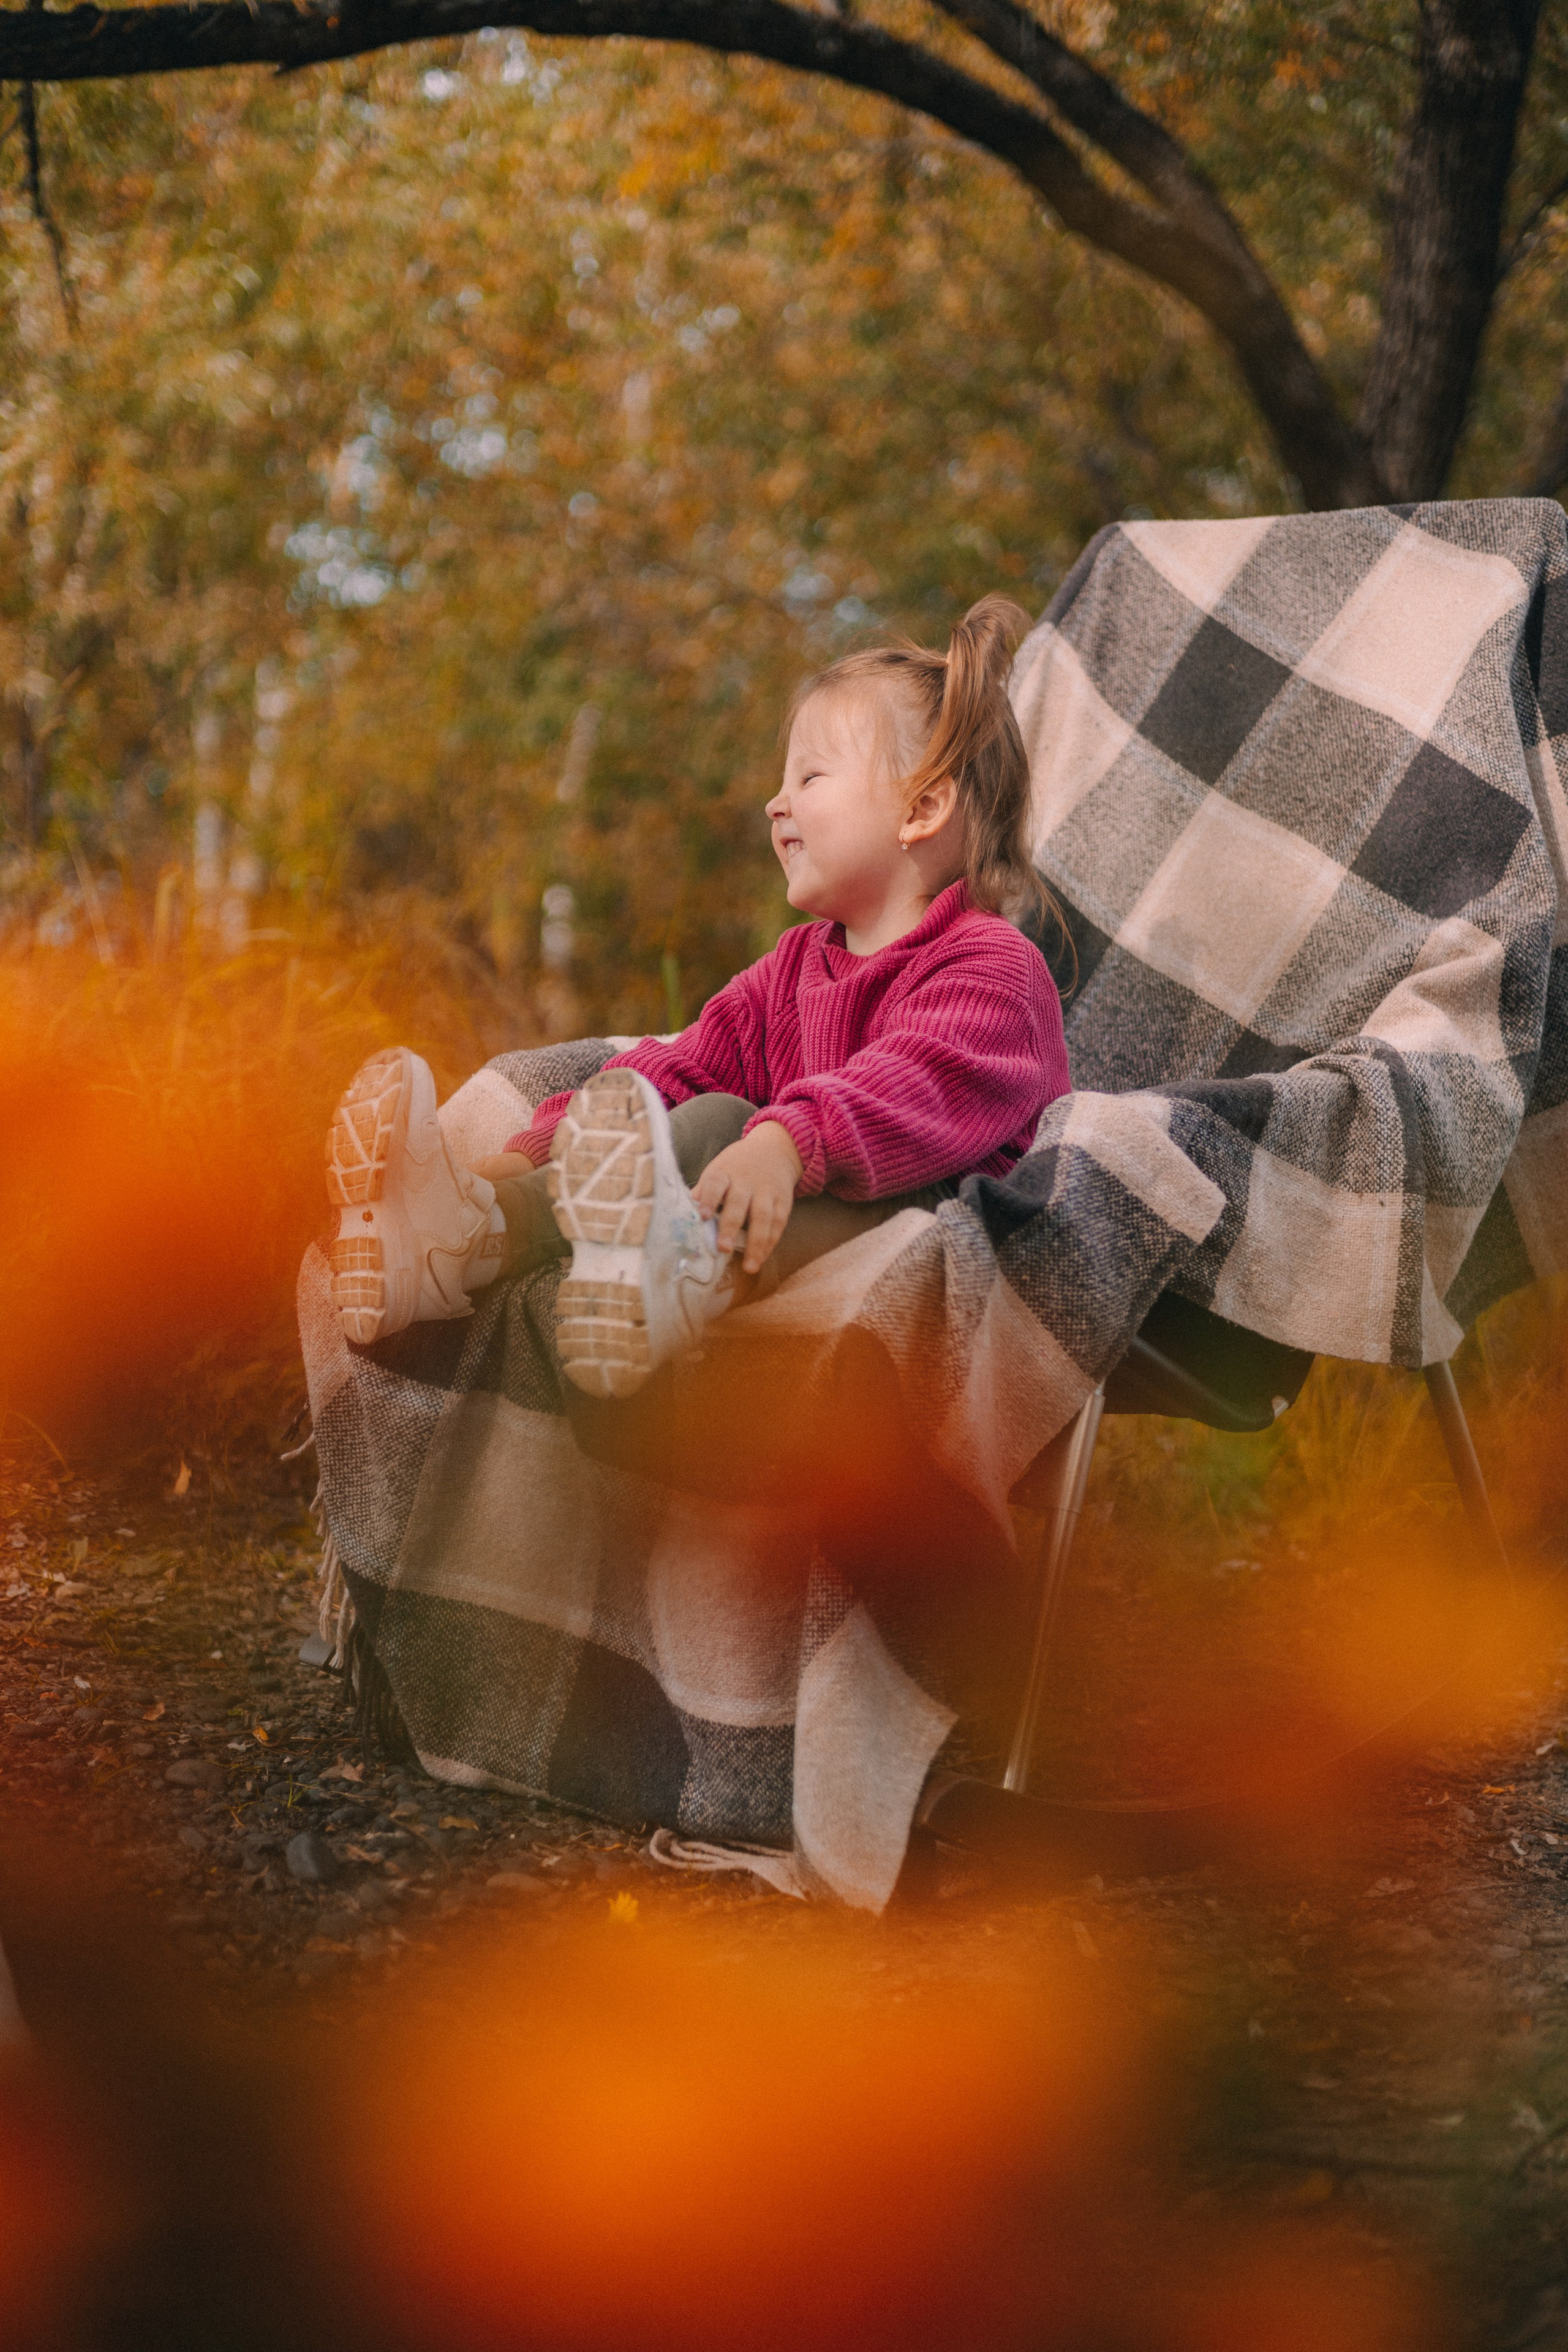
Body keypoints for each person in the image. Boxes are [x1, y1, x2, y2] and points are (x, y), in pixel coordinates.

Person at [323, 594, 1071, 1395]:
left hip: (929, 1239)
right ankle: (468, 1232)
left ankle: (676, 1278)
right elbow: (682, 1069)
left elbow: (914, 1080)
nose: (773, 804)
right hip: (767, 1209)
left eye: (809, 777)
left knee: (733, 1129)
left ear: (922, 809)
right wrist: (524, 1158)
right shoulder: (793, 968)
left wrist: (783, 1143)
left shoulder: (995, 969)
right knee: (705, 1111)